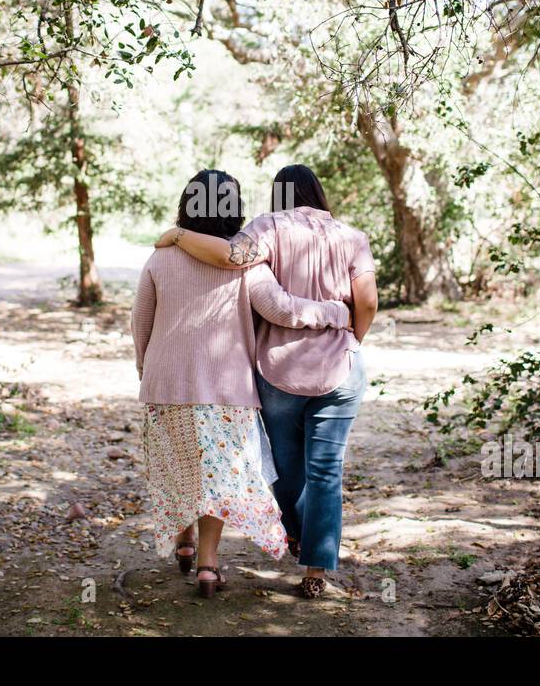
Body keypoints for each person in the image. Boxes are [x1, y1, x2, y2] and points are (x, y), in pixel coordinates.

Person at [156, 164, 378, 598]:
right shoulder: (353, 237)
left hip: (282, 371)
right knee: (327, 470)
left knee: (285, 466)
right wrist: (351, 333)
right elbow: (366, 300)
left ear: (278, 196)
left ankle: (296, 533)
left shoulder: (268, 227)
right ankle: (315, 567)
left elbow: (227, 257)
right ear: (319, 193)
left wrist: (178, 236)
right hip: (342, 369)